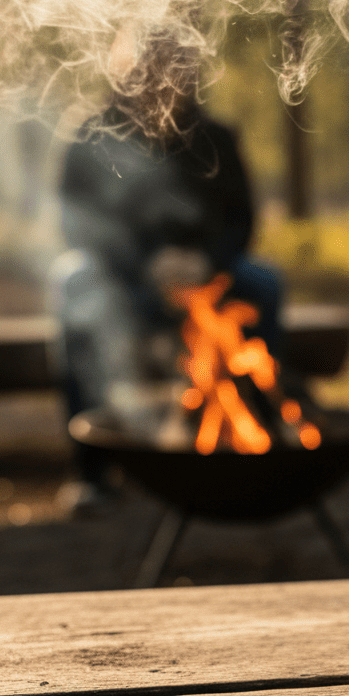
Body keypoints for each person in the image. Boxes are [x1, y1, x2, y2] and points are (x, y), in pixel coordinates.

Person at [53, 26, 283, 495]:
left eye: (178, 71)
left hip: (208, 278)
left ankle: (266, 431)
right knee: (76, 288)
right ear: (128, 75)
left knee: (265, 284)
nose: (166, 84)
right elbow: (74, 224)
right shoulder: (92, 135)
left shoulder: (215, 138)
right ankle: (92, 470)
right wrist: (143, 265)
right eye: (152, 72)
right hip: (125, 279)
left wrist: (208, 262)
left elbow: (242, 219)